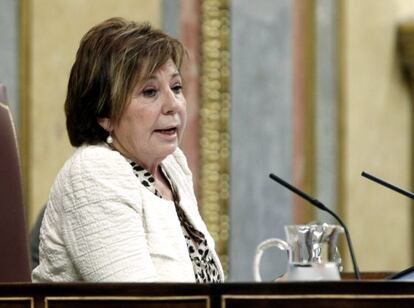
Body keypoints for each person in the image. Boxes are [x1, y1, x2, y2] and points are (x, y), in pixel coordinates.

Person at [32, 17, 224, 283]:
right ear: (104, 114)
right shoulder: (93, 172)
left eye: (176, 87)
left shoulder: (172, 166)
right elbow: (139, 300)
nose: (173, 105)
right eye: (149, 92)